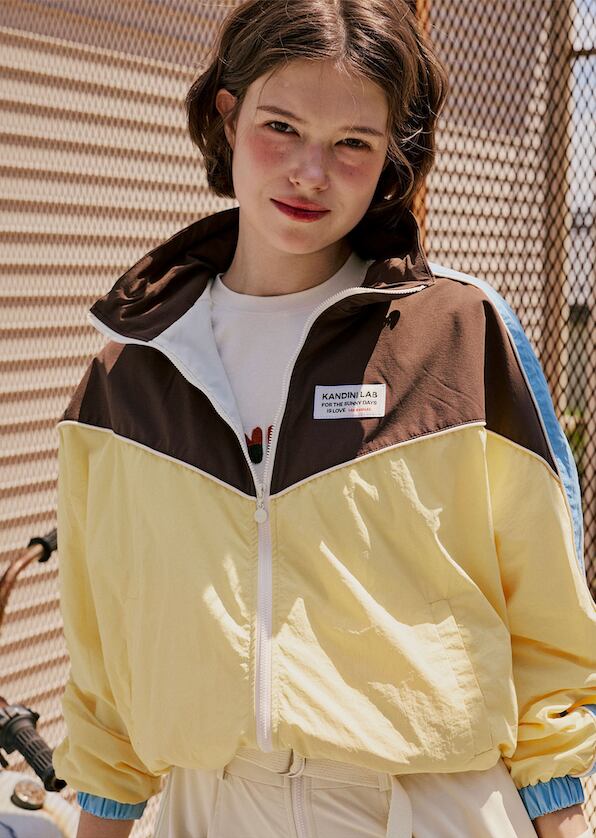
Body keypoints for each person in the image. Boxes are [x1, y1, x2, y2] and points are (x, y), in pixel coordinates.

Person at [51, 1, 596, 836]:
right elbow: (103, 658)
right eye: (282, 127)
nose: (311, 172)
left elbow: (548, 623)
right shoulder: (130, 371)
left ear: (390, 158)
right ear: (228, 116)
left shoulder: (458, 335)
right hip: (209, 808)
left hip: (432, 807)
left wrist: (562, 818)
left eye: (353, 143)